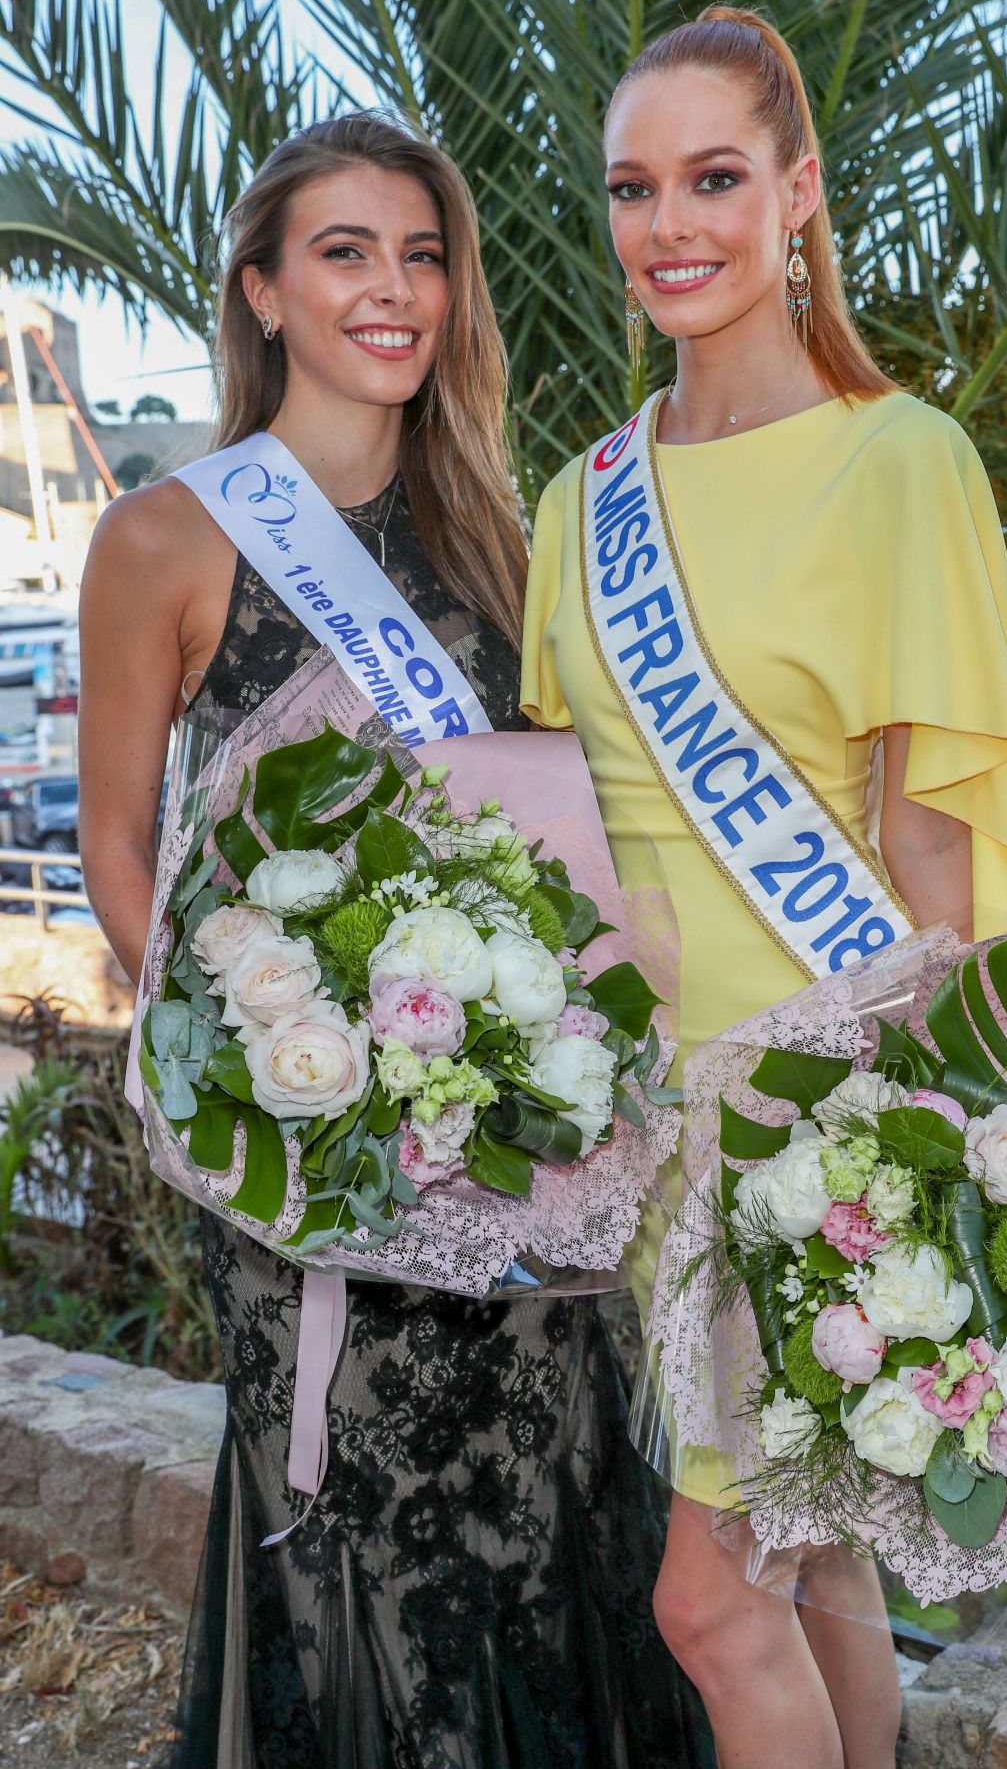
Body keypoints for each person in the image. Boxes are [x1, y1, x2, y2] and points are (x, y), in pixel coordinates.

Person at [78, 111, 710, 1769]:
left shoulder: (509, 536)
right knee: (350, 1502)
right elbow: (123, 847)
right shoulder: (167, 534)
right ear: (262, 291)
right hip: (294, 1155)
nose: (394, 290)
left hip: (506, 1138)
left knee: (544, 1495)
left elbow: (561, 851)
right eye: (345, 251)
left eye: (423, 255)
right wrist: (265, 1096)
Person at [521, 7, 1007, 1769]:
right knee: (810, 1557)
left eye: (714, 179)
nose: (669, 226)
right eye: (633, 188)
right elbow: (568, 834)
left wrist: (953, 1144)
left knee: (712, 1598)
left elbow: (927, 851)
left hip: (819, 1111)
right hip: (646, 1130)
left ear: (799, 193)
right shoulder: (578, 502)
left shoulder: (896, 461)